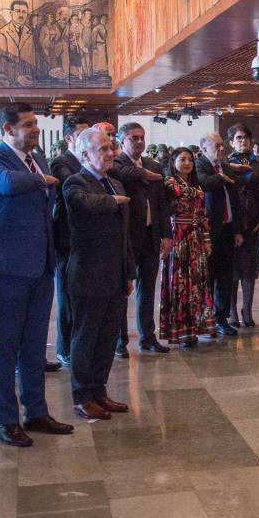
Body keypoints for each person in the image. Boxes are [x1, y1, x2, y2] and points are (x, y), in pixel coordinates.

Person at [0, 103, 74, 447]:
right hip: (8, 267)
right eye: (28, 125)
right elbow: (4, 184)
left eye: (36, 124)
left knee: (34, 345)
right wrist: (38, 179)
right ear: (8, 130)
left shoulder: (40, 159)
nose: (34, 130)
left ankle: (36, 411)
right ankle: (7, 420)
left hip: (41, 265)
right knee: (8, 345)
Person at [64, 128, 133, 419]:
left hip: (115, 274)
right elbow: (83, 204)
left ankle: (99, 390)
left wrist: (128, 272)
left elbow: (124, 234)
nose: (111, 154)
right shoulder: (74, 182)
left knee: (107, 338)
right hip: (88, 274)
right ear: (84, 155)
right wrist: (113, 202)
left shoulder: (115, 182)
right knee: (86, 337)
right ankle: (82, 395)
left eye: (111, 148)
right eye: (103, 149)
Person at [110, 122, 171, 353]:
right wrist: (143, 174)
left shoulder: (154, 164)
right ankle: (119, 341)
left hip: (150, 234)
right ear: (122, 141)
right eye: (133, 138)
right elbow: (120, 172)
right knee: (122, 290)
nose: (139, 142)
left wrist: (166, 234)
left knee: (147, 289)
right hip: (126, 237)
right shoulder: (116, 164)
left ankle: (148, 336)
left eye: (141, 137)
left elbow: (162, 205)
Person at [160, 147, 215, 347]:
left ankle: (194, 329)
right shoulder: (169, 182)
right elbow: (179, 192)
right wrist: (197, 192)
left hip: (195, 238)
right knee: (180, 284)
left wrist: (207, 239)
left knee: (196, 284)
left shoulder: (195, 185)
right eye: (182, 159)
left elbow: (202, 215)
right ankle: (180, 330)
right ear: (173, 162)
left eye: (189, 160)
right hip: (177, 237)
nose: (186, 163)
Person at [50, 116, 90, 368]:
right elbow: (73, 186)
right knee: (66, 293)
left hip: (87, 237)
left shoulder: (86, 160)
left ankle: (79, 344)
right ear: (69, 138)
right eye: (83, 135)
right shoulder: (61, 162)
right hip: (66, 236)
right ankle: (64, 347)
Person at [196, 133, 243, 337]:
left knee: (225, 277)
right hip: (208, 231)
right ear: (204, 148)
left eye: (222, 145)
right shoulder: (200, 165)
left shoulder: (225, 166)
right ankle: (205, 320)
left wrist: (238, 230)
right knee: (208, 277)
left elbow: (235, 199)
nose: (221, 149)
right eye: (216, 145)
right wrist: (221, 177)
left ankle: (221, 318)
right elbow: (204, 184)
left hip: (227, 229)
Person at [227, 123, 259, 327]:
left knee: (250, 270)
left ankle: (247, 310)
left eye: (246, 138)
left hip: (253, 222)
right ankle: (232, 311)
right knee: (233, 271)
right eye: (239, 138)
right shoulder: (226, 164)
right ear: (232, 142)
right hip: (232, 222)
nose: (243, 141)